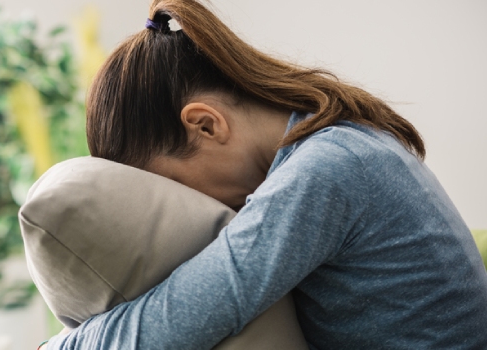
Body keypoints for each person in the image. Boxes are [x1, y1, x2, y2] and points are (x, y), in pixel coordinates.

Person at [39, 0, 487, 349]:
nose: (189, 205)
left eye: (172, 185)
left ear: (205, 125)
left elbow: (178, 320)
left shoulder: (327, 169)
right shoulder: (346, 142)